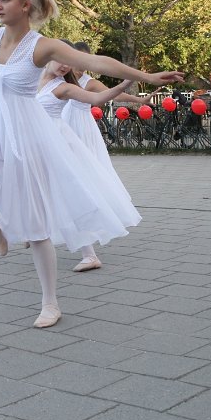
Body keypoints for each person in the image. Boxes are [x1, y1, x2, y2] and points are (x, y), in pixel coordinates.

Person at [0, 0, 183, 328]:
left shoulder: (42, 46)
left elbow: (97, 63)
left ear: (25, 5)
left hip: (25, 135)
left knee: (36, 223)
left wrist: (147, 78)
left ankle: (50, 302)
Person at [37, 52, 141, 272]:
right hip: (33, 143)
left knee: (70, 195)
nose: (65, 66)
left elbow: (97, 99)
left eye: (70, 63)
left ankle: (89, 254)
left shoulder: (63, 87)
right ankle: (30, 230)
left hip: (56, 144)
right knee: (34, 190)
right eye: (62, 60)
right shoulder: (33, 79)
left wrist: (124, 83)